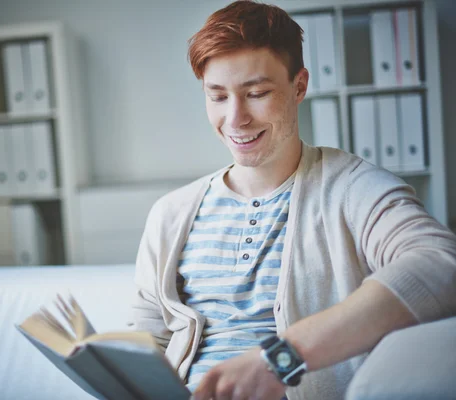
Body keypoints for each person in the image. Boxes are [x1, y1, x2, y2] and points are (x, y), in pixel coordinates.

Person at [130, 1, 456, 399]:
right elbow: (148, 339)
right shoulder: (170, 213)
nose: (235, 119)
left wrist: (282, 357)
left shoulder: (353, 189)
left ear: (299, 86)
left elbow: (441, 265)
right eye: (217, 96)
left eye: (256, 93)